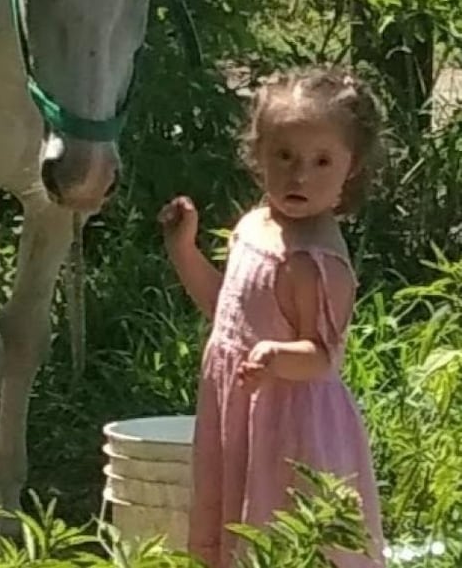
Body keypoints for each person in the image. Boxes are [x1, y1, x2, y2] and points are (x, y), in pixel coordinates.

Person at [159, 65, 385, 567]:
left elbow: (322, 358)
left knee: (280, 531)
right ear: (257, 155)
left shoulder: (315, 263)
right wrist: (185, 250)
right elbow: (227, 313)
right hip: (239, 409)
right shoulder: (254, 226)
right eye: (284, 156)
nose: (300, 174)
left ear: (352, 168)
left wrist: (279, 356)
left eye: (321, 161)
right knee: (231, 518)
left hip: (289, 424)